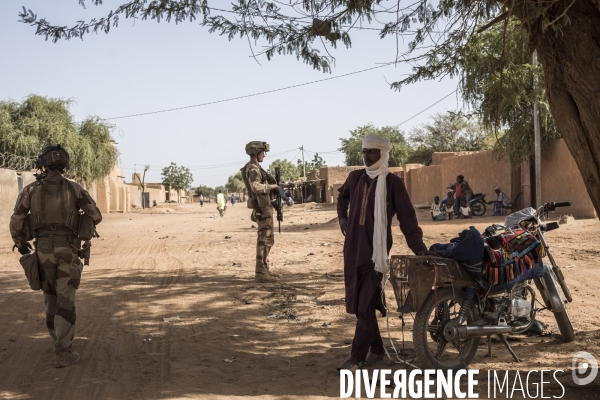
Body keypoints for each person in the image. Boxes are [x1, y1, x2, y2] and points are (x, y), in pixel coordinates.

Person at [336, 134, 427, 371]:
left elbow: (408, 221)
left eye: (372, 152)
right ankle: (376, 350)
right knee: (360, 304)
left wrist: (420, 250)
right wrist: (342, 217)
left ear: (383, 154)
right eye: (364, 152)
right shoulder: (355, 178)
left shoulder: (394, 184)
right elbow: (341, 197)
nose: (367, 157)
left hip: (375, 256)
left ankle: (356, 357)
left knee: (365, 305)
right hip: (352, 250)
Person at [9, 145, 102, 368]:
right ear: (64, 165)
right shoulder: (74, 188)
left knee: (50, 297)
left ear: (43, 164)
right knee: (66, 299)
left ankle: (57, 341)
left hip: (42, 250)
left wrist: (22, 246)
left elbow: (16, 220)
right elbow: (95, 215)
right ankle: (63, 351)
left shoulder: (30, 190)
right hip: (67, 249)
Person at [241, 141, 281, 283]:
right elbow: (256, 187)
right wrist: (273, 186)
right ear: (256, 153)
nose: (264, 155)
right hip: (262, 209)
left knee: (268, 239)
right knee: (263, 240)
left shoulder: (257, 168)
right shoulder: (253, 169)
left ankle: (265, 268)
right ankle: (260, 272)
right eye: (263, 152)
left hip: (265, 207)